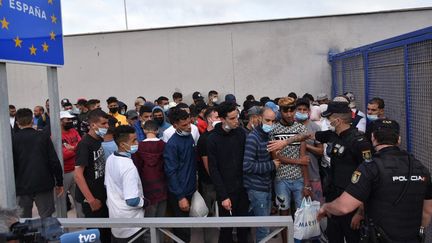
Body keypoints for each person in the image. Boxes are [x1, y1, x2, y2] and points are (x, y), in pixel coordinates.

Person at [318, 119, 432, 243]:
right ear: (398, 139)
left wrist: (326, 207)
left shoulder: (371, 168)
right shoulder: (420, 168)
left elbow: (343, 207)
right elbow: (427, 211)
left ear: (373, 138)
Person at [309, 101, 372, 243]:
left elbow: (369, 178)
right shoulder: (332, 135)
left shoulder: (359, 142)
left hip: (351, 201)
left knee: (352, 237)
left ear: (337, 120)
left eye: (328, 118)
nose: (327, 121)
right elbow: (310, 135)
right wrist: (286, 142)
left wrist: (360, 212)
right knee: (333, 236)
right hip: (334, 197)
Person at [269, 97, 310, 243]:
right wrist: (298, 161)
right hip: (281, 179)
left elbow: (304, 156)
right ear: (280, 111)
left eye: (292, 109)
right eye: (285, 110)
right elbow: (276, 157)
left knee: (301, 214)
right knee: (284, 214)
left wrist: (307, 183)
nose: (289, 113)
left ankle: (300, 240)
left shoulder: (300, 128)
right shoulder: (273, 129)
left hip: (299, 178)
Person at [207, 102, 249, 243]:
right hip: (225, 192)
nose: (236, 121)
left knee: (244, 229)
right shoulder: (212, 139)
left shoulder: (241, 133)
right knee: (226, 230)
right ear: (222, 119)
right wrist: (223, 195)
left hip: (243, 189)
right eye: (232, 118)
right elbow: (213, 169)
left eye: (236, 117)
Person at [12, 108, 64, 218]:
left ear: (17, 122)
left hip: (22, 186)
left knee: (23, 221)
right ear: (32, 120)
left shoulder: (13, 139)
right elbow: (53, 161)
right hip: (43, 184)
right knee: (47, 219)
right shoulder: (43, 136)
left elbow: (12, 165)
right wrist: (59, 182)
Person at [243, 107, 280, 242]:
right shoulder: (253, 138)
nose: (270, 124)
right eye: (267, 120)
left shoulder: (267, 135)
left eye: (273, 121)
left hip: (266, 186)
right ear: (259, 118)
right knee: (263, 228)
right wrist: (271, 165)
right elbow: (247, 165)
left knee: (263, 224)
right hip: (257, 188)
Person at [74, 109, 111, 242]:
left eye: (107, 123)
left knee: (106, 234)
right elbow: (78, 175)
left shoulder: (99, 140)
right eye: (103, 123)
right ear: (93, 125)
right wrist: (91, 200)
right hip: (92, 200)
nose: (107, 126)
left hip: (101, 196)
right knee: (96, 235)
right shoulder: (84, 144)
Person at [105, 125, 146, 242]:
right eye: (133, 140)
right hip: (131, 224)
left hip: (116, 219)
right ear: (122, 144)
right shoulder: (128, 167)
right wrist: (145, 202)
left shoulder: (111, 158)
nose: (137, 143)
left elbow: (108, 185)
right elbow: (132, 200)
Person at [163, 108, 197, 242]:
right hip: (179, 193)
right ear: (174, 125)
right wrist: (180, 197)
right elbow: (171, 172)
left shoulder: (189, 137)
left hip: (190, 189)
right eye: (184, 125)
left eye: (189, 123)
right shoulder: (172, 145)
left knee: (187, 228)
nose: (189, 127)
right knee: (182, 231)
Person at [133, 120, 167, 242]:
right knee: (160, 223)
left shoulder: (138, 147)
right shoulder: (164, 145)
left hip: (146, 188)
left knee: (148, 223)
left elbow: (136, 168)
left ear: (144, 130)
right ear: (157, 130)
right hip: (162, 186)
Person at [196, 107, 220, 243]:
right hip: (209, 183)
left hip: (220, 181)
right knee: (209, 212)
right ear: (209, 119)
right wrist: (217, 181)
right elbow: (207, 164)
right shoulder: (204, 139)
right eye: (217, 117)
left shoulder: (219, 135)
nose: (219, 120)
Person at [295, 98, 324, 204]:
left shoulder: (315, 128)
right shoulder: (291, 127)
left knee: (316, 206)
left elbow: (321, 151)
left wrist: (305, 146)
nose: (302, 112)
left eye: (304, 109)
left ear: (309, 111)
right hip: (295, 175)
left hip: (313, 173)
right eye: (299, 109)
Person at [60, 111, 84, 217]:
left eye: (71, 119)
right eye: (68, 119)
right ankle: (62, 227)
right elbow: (63, 155)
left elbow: (82, 145)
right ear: (60, 121)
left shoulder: (73, 131)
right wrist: (76, 148)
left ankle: (82, 222)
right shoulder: (56, 135)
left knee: (79, 198)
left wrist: (72, 148)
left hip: (76, 169)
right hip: (64, 172)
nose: (71, 121)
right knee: (60, 202)